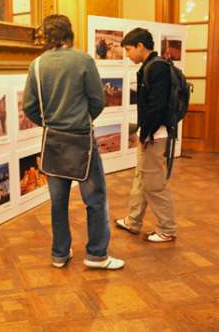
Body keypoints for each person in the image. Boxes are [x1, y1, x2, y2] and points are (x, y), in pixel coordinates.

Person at [23, 14, 124, 270]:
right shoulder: (83, 60)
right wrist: (80, 119)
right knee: (95, 199)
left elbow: (30, 108)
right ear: (70, 33)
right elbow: (98, 101)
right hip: (81, 141)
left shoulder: (36, 65)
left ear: (46, 36)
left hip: (53, 142)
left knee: (58, 203)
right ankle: (96, 255)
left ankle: (59, 254)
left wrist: (52, 122)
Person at [115, 27, 177, 242]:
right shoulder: (149, 66)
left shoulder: (156, 68)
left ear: (141, 46)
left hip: (155, 136)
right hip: (151, 134)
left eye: (129, 49)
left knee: (154, 184)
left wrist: (146, 135)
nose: (127, 54)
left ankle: (167, 229)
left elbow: (157, 107)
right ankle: (133, 221)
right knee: (142, 179)